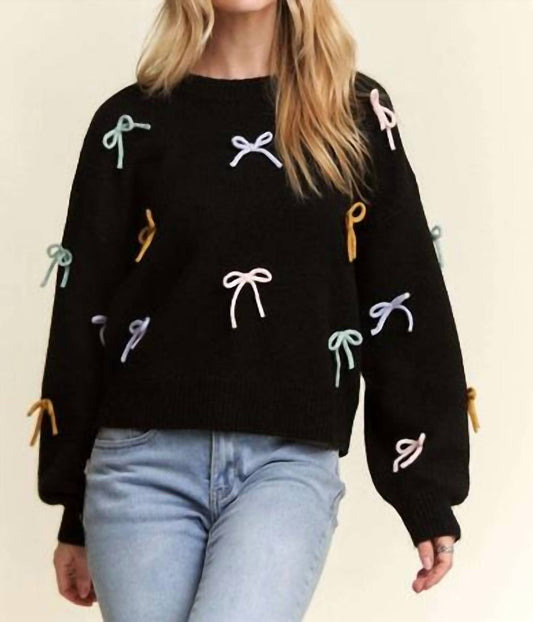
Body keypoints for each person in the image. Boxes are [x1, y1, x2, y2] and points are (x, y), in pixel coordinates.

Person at [27, 0, 479, 619]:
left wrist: (425, 491)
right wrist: (72, 510)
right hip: (139, 467)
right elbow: (85, 309)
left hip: (286, 467)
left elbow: (402, 295)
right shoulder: (130, 121)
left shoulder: (354, 114)